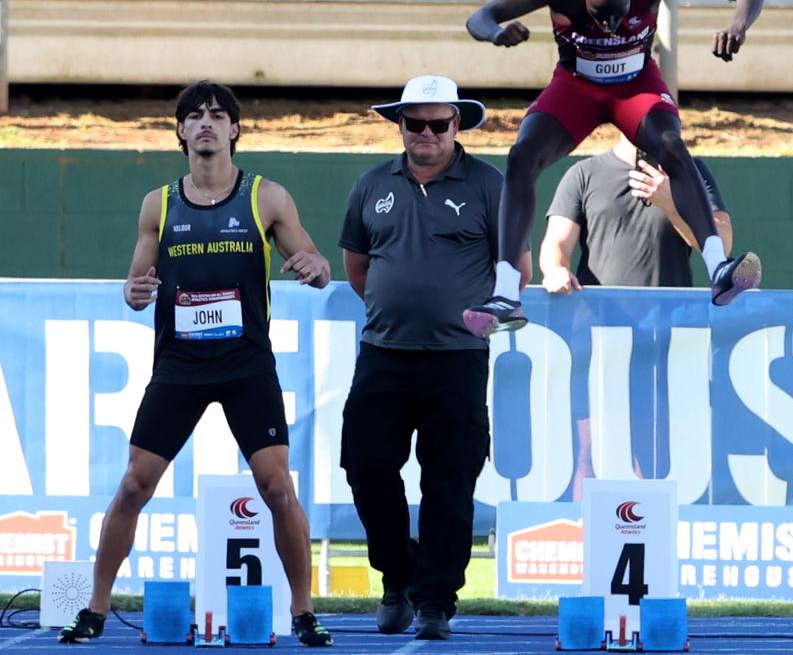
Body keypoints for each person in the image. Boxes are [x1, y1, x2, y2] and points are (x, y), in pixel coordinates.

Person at [59, 81, 333, 647]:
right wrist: (134, 292)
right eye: (194, 116)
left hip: (245, 363)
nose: (206, 123)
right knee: (134, 486)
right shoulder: (159, 203)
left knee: (277, 488)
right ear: (180, 131)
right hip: (180, 365)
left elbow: (316, 262)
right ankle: (95, 608)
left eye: (217, 115)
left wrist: (316, 265)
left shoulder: (267, 197)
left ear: (235, 129)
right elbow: (137, 285)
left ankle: (304, 611)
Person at [461, 0, 764, 336]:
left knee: (672, 145)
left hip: (635, 85)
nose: (609, 25)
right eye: (599, 14)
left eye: (619, 14)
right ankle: (504, 294)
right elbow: (480, 18)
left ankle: (718, 268)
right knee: (522, 156)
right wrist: (497, 34)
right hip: (577, 87)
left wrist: (737, 25)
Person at [338, 75, 531, 640]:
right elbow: (358, 267)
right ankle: (398, 576)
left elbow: (517, 264)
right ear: (399, 125)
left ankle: (435, 602)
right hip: (383, 352)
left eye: (437, 123)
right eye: (414, 122)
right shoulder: (372, 183)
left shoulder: (489, 184)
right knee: (367, 465)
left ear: (457, 125)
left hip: (457, 357)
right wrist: (397, 306)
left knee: (450, 480)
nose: (425, 133)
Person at [541, 133, 732, 292]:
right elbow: (557, 243)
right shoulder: (583, 174)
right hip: (600, 323)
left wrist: (671, 205)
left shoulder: (692, 172)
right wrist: (556, 270)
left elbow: (723, 244)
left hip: (671, 322)